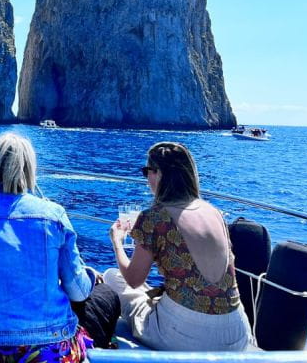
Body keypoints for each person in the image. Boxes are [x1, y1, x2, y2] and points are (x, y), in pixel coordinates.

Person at [0, 133, 116, 362]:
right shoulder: (54, 214)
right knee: (106, 294)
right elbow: (77, 291)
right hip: (48, 348)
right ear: (28, 169)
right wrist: (90, 275)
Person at [104, 141, 253, 351]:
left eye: (147, 171)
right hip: (236, 333)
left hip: (187, 336)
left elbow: (134, 280)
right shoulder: (215, 213)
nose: (147, 179)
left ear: (159, 174)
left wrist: (117, 241)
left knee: (113, 277)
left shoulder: (154, 217)